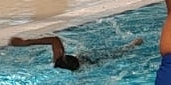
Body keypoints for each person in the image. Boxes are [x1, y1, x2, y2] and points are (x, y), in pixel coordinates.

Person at [8, 35, 144, 71]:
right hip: (87, 63)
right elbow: (55, 39)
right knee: (115, 54)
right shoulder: (58, 61)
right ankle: (132, 45)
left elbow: (54, 40)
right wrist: (25, 42)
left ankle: (132, 45)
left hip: (85, 64)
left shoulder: (58, 63)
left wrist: (25, 43)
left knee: (114, 55)